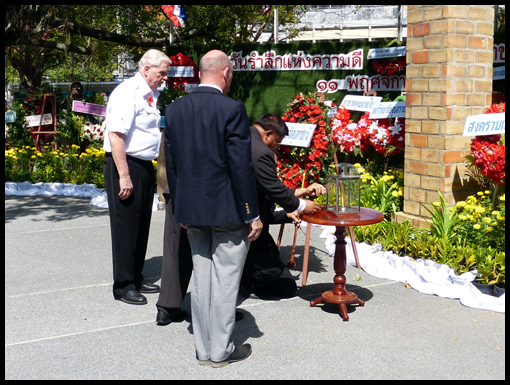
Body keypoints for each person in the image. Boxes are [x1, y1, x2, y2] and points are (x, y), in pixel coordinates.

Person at [164, 49, 263, 368]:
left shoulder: (175, 109)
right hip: (227, 212)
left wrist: (180, 209)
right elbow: (240, 165)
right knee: (225, 280)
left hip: (191, 212)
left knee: (203, 278)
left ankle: (203, 348)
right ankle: (219, 351)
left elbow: (172, 165)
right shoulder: (232, 109)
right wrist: (252, 213)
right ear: (225, 72)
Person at [103, 49, 171, 305]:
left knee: (141, 224)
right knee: (125, 226)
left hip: (142, 164)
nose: (165, 78)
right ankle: (123, 285)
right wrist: (124, 175)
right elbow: (116, 135)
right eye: (161, 73)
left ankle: (136, 276)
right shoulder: (127, 92)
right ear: (146, 70)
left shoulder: (150, 93)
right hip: (125, 164)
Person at [241, 113, 325, 298]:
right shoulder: (260, 152)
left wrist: (301, 193)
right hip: (245, 224)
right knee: (284, 284)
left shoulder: (244, 136)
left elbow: (273, 192)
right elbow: (274, 189)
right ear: (268, 134)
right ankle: (244, 284)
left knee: (280, 271)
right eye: (277, 142)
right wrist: (302, 205)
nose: (277, 147)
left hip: (250, 221)